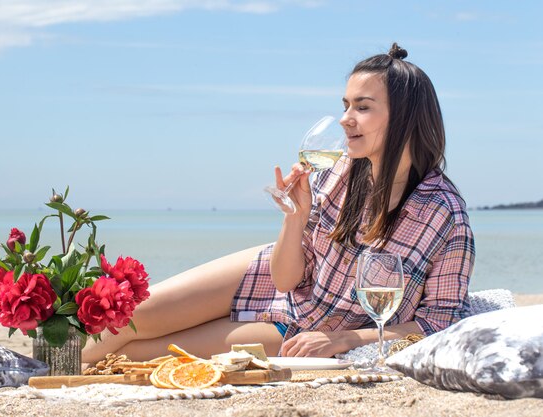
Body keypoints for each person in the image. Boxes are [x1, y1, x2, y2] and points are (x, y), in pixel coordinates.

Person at [82, 43, 475, 363]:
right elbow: (286, 279)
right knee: (127, 320)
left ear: (405, 118)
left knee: (138, 354)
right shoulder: (336, 173)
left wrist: (343, 340)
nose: (344, 119)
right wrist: (294, 217)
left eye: (363, 107)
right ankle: (40, 369)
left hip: (304, 327)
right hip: (271, 275)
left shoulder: (445, 216)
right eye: (345, 105)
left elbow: (437, 322)